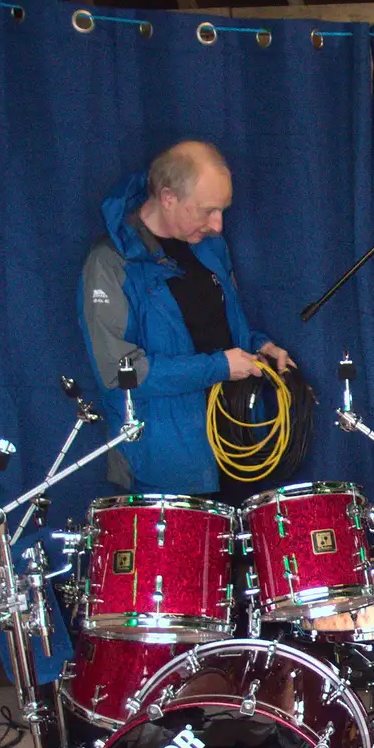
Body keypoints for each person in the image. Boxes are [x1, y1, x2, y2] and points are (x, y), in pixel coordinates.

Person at [78, 140, 294, 502]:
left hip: (233, 451)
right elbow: (120, 371)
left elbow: (220, 329)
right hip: (163, 471)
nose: (218, 224)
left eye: (222, 211)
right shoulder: (110, 266)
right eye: (208, 211)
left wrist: (259, 345)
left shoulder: (211, 248)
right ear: (168, 198)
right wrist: (219, 367)